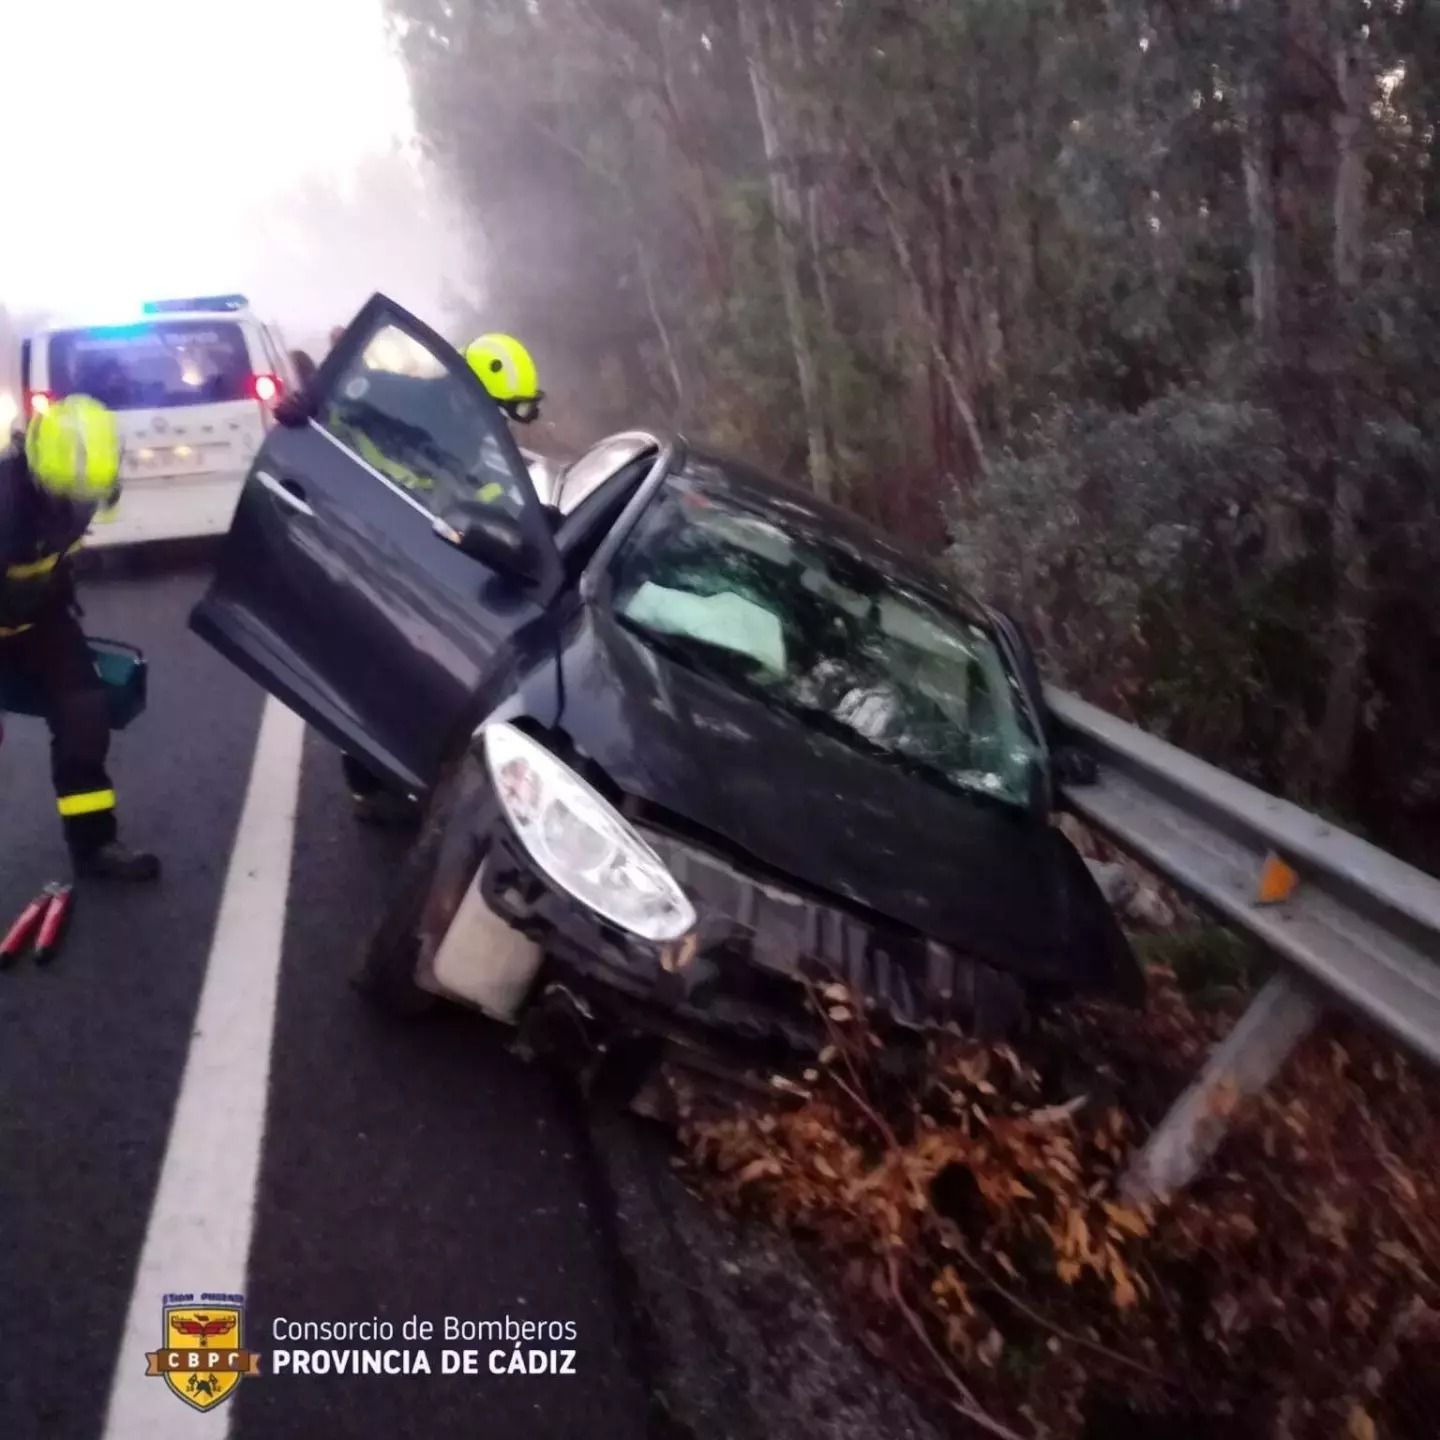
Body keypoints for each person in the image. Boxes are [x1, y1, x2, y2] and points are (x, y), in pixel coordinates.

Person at [274, 331, 544, 824]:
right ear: (474, 395)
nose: (501, 426)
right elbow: (341, 397)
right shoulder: (402, 399)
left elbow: (477, 493)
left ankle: (391, 775)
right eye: (500, 411)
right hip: (353, 538)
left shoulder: (469, 435)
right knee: (370, 662)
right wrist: (305, 404)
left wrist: (536, 525)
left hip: (403, 550)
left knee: (400, 664)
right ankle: (367, 790)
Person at [0, 396, 160, 880]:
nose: (79, 505)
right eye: (69, 493)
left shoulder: (83, 483)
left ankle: (94, 844)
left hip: (36, 619)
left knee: (84, 714)